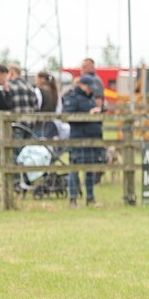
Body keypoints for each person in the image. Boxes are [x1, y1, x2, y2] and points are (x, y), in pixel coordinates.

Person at [61, 74, 105, 207]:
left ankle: (90, 197)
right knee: (74, 169)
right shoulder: (72, 98)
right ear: (82, 85)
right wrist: (88, 115)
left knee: (90, 169)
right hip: (78, 138)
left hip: (92, 138)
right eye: (89, 87)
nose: (91, 90)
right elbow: (67, 116)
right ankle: (73, 198)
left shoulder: (90, 98)